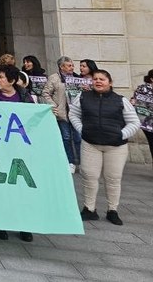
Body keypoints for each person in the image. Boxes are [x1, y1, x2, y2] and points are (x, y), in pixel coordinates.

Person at [70, 69, 141, 226]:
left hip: (115, 147)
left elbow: (134, 122)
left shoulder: (121, 101)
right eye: (95, 78)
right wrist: (81, 129)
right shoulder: (82, 97)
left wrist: (121, 134)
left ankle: (112, 210)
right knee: (89, 176)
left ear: (110, 82)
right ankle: (89, 209)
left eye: (102, 79)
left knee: (113, 179)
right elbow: (73, 114)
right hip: (90, 144)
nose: (98, 81)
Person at [0, 64, 35, 242]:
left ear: (11, 80)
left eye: (1, 77)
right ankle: (1, 222)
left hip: (19, 148)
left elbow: (34, 117)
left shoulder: (24, 97)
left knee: (20, 186)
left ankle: (24, 224)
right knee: (0, 185)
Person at [41, 56, 80, 173]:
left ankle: (82, 161)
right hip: (62, 113)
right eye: (69, 65)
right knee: (66, 138)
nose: (72, 68)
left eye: (72, 65)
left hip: (75, 113)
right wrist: (53, 106)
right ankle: (70, 161)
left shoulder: (77, 78)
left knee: (78, 138)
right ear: (61, 67)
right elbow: (46, 93)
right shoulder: (54, 78)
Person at [130, 69, 153, 165]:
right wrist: (133, 102)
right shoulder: (142, 89)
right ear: (152, 79)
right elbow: (135, 101)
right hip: (147, 122)